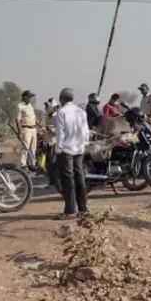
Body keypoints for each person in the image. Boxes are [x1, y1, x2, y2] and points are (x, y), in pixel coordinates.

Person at [54, 88, 90, 219]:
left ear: (62, 98)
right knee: (79, 177)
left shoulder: (61, 112)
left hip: (66, 149)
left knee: (68, 180)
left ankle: (70, 210)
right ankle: (83, 208)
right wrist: (83, 145)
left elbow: (60, 133)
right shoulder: (81, 112)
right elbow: (86, 131)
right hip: (79, 149)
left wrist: (58, 150)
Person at [17, 90, 38, 168]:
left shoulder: (30, 105)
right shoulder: (20, 106)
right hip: (26, 129)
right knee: (25, 147)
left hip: (33, 128)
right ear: (24, 97)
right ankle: (23, 164)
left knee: (33, 147)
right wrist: (19, 132)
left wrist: (38, 125)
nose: (30, 99)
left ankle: (33, 164)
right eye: (29, 97)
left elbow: (33, 117)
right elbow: (18, 119)